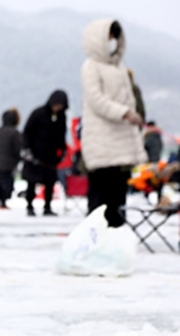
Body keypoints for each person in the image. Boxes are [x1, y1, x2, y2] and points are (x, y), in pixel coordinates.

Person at [81, 19, 147, 227]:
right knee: (100, 199)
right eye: (109, 38)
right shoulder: (90, 67)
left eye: (115, 38)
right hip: (102, 141)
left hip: (122, 141)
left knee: (118, 197)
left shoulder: (120, 68)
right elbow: (96, 100)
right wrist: (125, 113)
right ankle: (95, 240)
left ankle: (116, 239)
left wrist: (131, 115)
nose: (112, 42)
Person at [22, 90, 69, 217]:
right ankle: (29, 206)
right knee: (31, 182)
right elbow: (27, 132)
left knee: (50, 182)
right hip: (35, 155)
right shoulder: (38, 114)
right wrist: (27, 149)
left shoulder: (62, 117)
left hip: (51, 156)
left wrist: (62, 150)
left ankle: (47, 207)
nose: (58, 108)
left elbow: (62, 135)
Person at [0, 109, 22, 208]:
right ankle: (3, 201)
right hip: (10, 163)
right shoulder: (14, 132)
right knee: (7, 183)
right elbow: (17, 148)